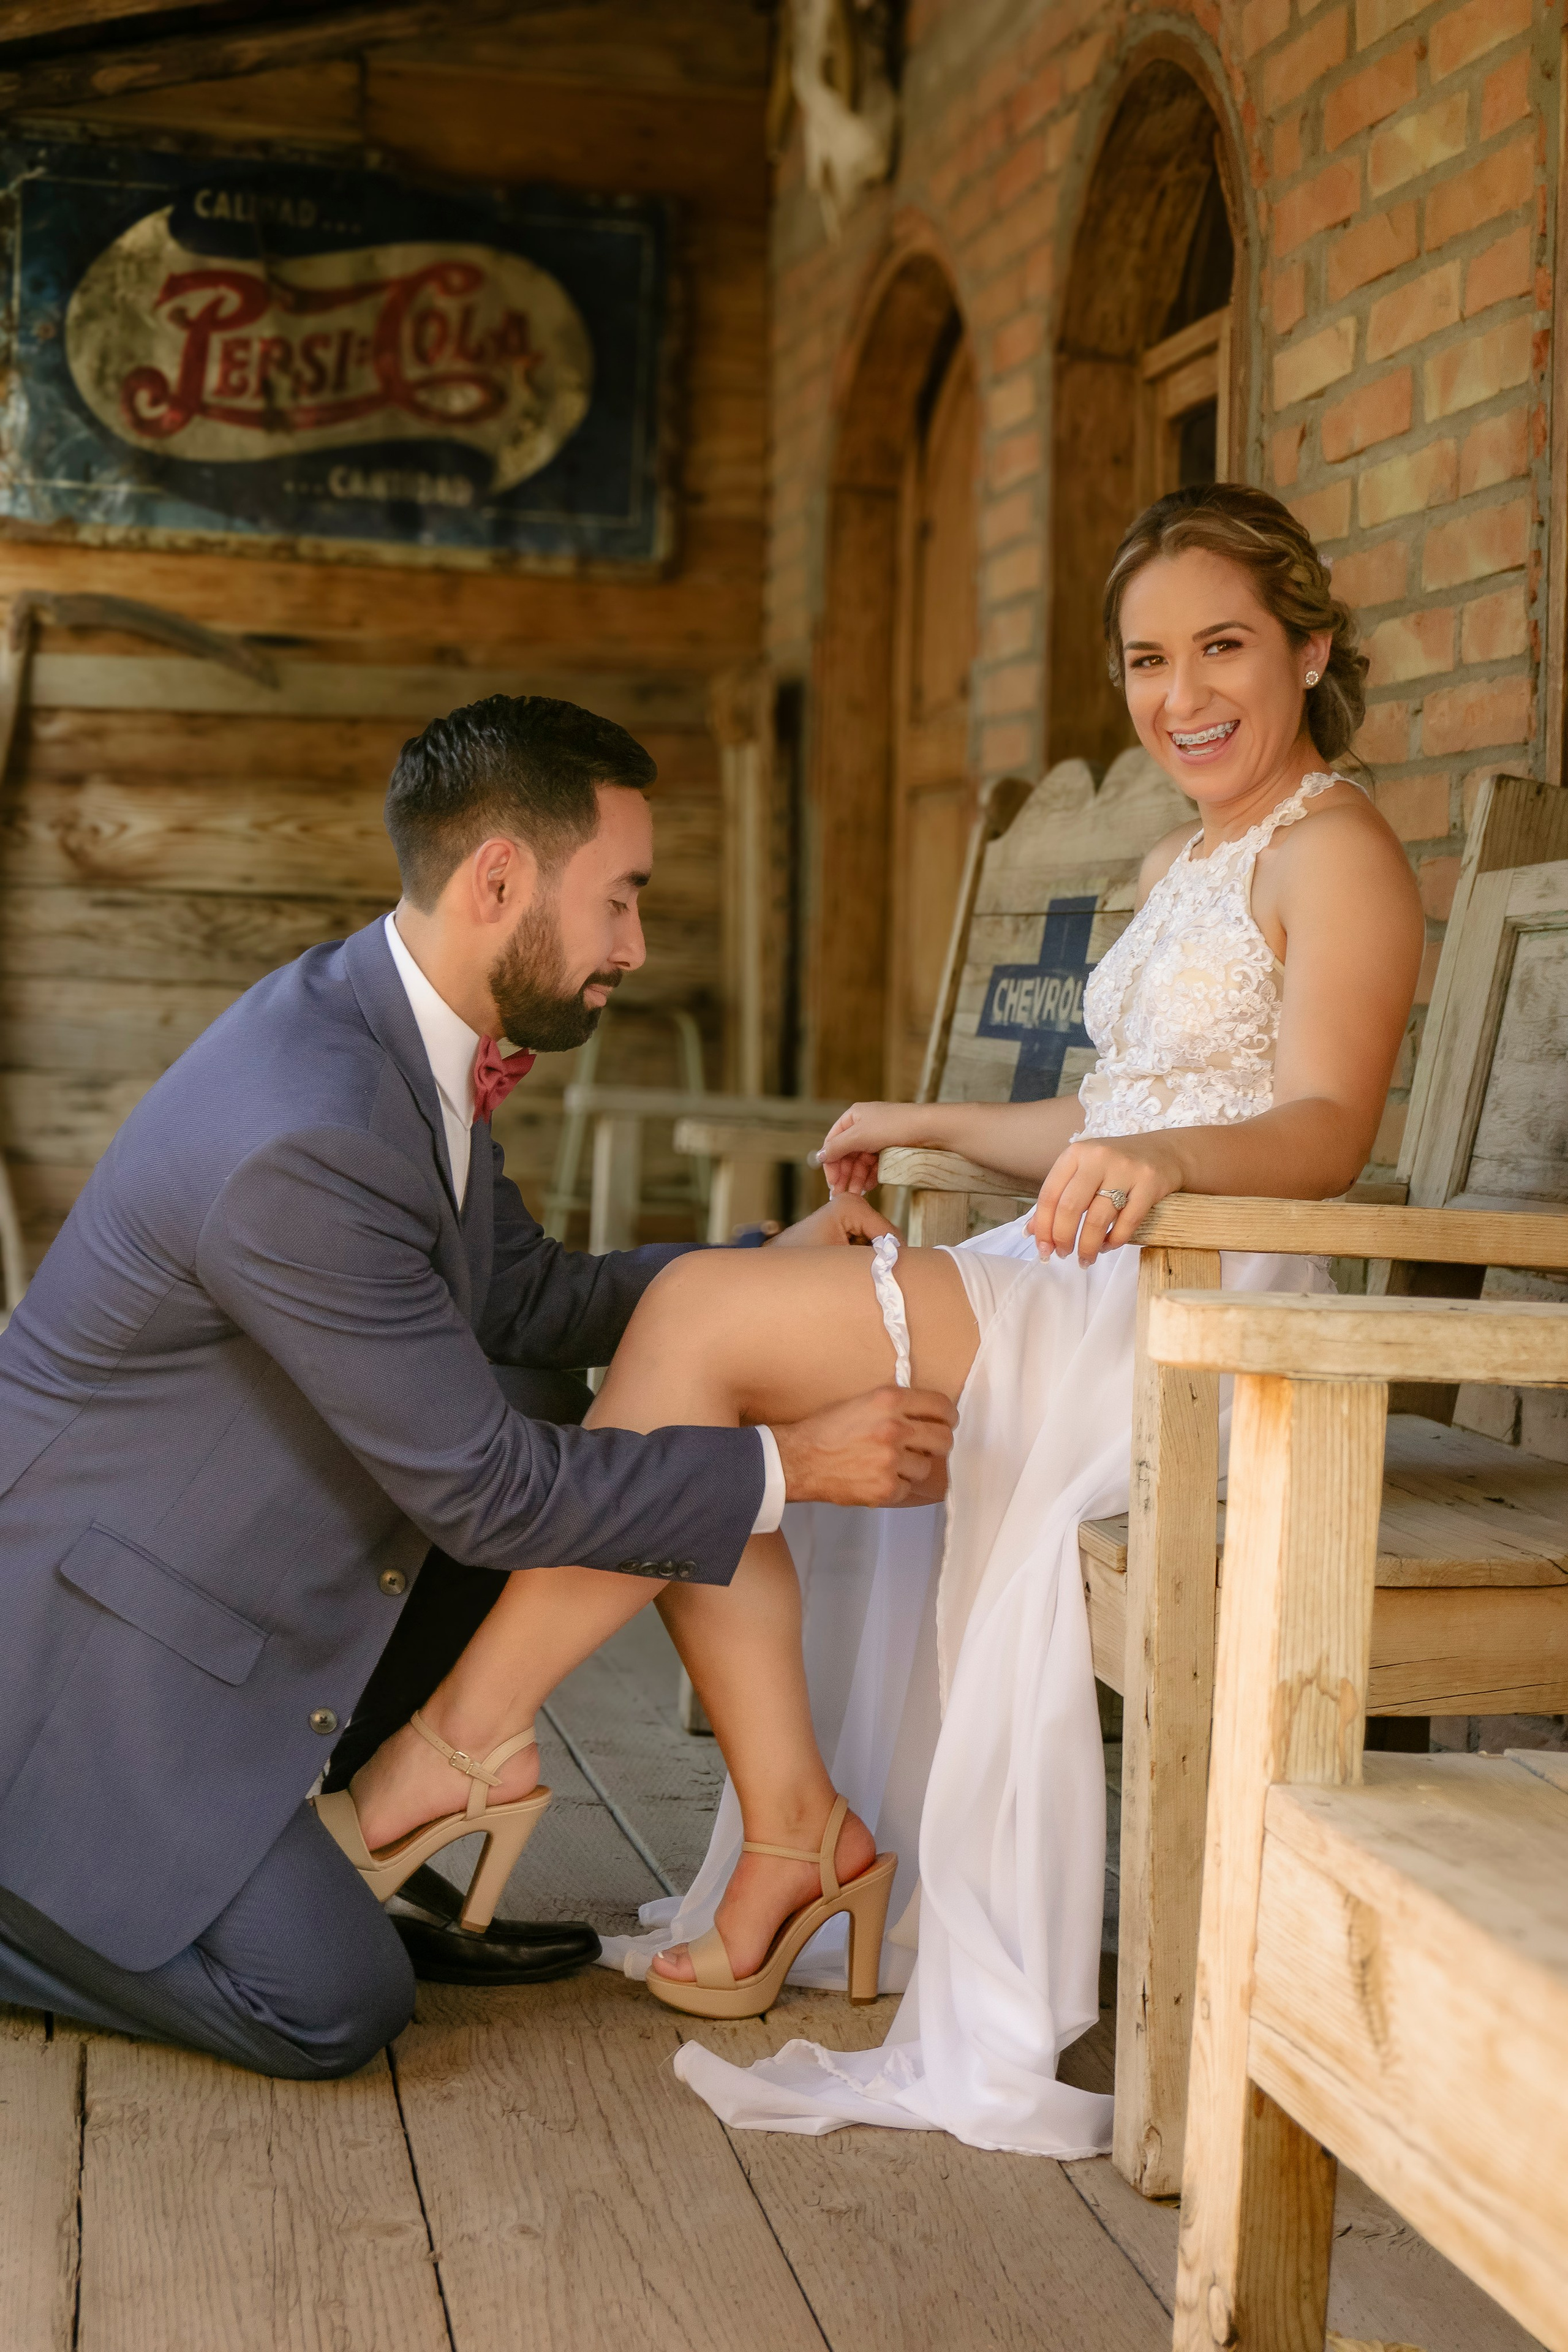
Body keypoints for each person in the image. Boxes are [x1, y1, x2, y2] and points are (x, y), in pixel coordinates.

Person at [348, 483, 1425, 2154]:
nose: (1182, 694)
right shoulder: (1185, 855)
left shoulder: (1340, 848)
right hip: (1082, 1258)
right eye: (1147, 659)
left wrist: (1150, 1158)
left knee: (702, 1316)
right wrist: (921, 1122)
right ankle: (764, 1832)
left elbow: (1327, 1132)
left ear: (1311, 648)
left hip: (1200, 1320)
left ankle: (489, 1756)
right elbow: (1107, 1113)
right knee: (711, 1358)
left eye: (1223, 646)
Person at [0, 693, 944, 2080]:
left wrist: (760, 1270)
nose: (631, 945)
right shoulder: (309, 1133)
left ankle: (336, 1822)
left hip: (211, 1571)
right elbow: (488, 1493)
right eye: (617, 900)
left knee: (534, 1375)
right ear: (499, 876)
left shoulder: (393, 1036)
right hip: (87, 1660)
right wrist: (792, 1463)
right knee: (333, 2005)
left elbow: (525, 1299)